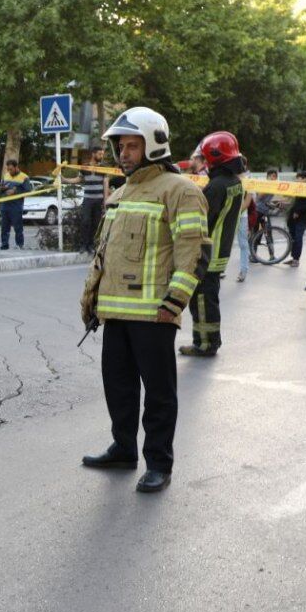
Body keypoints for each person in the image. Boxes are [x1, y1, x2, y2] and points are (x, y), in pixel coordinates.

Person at [79, 106, 211, 494]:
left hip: (154, 315)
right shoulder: (120, 192)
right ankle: (123, 449)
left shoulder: (181, 191)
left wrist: (174, 303)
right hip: (116, 312)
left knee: (158, 394)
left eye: (131, 146)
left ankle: (159, 463)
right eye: (121, 147)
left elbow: (194, 253)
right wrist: (91, 299)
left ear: (154, 145)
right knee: (117, 388)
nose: (123, 154)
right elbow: (104, 254)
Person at [180, 131, 245, 358]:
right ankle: (209, 341)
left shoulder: (216, 186)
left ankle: (205, 344)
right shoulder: (234, 182)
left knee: (201, 301)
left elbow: (203, 221)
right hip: (220, 252)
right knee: (209, 299)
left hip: (207, 252)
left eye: (206, 157)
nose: (204, 162)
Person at [77, 148, 109, 253]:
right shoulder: (85, 166)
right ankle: (83, 245)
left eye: (102, 154)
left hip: (98, 199)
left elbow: (105, 184)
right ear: (93, 154)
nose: (101, 156)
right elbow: (79, 179)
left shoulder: (103, 168)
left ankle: (91, 245)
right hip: (88, 199)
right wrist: (64, 179)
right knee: (85, 222)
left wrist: (105, 201)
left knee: (96, 224)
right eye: (100, 154)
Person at [0, 159, 31, 249]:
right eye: (8, 169)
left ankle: (19, 245)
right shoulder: (6, 176)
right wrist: (3, 188)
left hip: (16, 206)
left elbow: (28, 191)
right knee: (4, 227)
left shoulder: (24, 177)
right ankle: (4, 245)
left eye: (11, 169)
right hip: (5, 205)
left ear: (16, 167)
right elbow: (0, 190)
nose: (9, 171)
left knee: (18, 227)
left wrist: (15, 191)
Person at [285, 171, 306, 267]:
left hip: (301, 218)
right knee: (292, 237)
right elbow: (295, 202)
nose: (297, 180)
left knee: (298, 238)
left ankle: (296, 259)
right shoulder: (299, 188)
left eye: (299, 178)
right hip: (293, 217)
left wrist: (298, 211)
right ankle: (293, 257)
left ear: (305, 179)